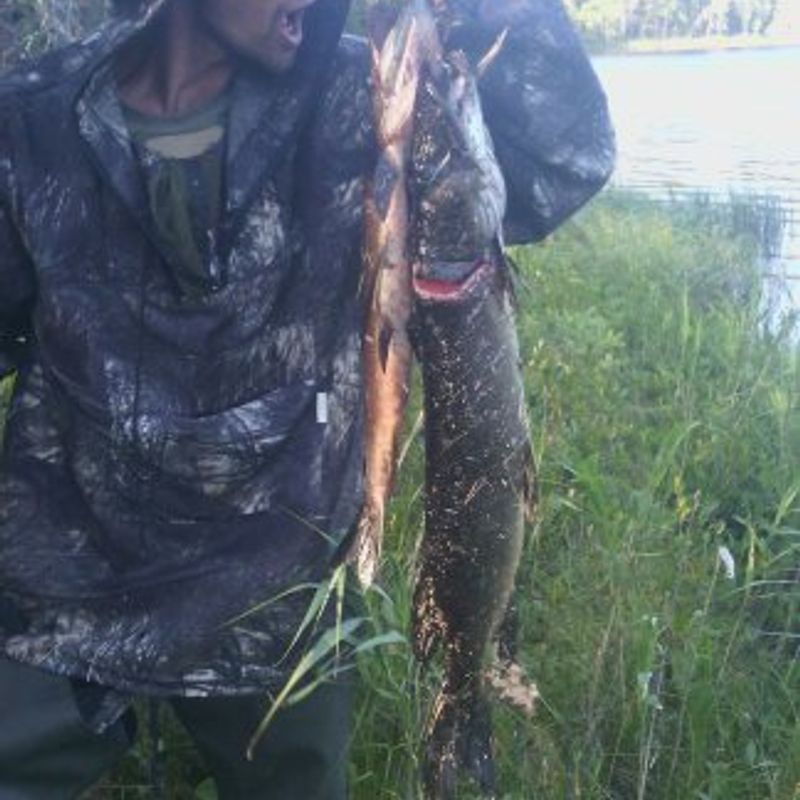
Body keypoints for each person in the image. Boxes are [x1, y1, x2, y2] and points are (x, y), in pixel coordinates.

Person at [0, 0, 615, 797]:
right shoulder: (35, 118)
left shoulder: (364, 102)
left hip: (280, 596)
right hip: (65, 584)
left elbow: (561, 165)